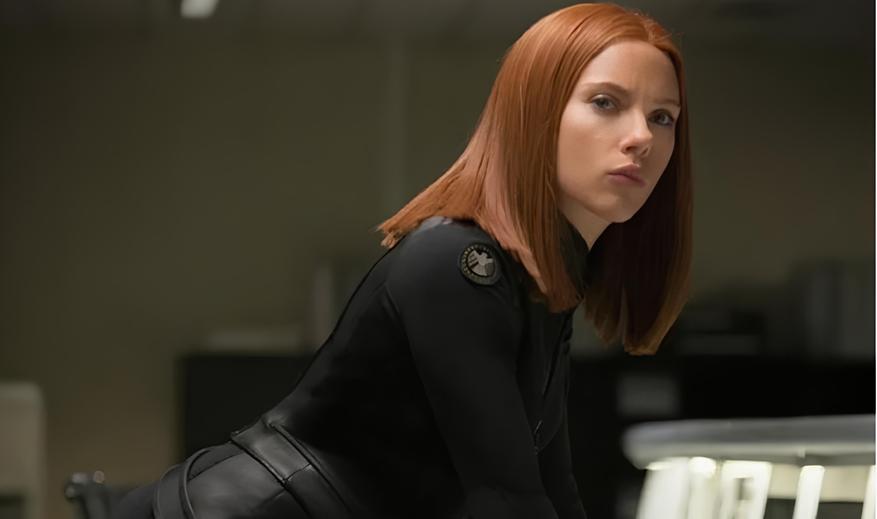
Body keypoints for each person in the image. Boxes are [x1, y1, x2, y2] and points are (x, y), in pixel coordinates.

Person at [113, 3, 692, 519]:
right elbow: (506, 497)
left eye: (663, 116)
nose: (641, 136)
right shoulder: (459, 260)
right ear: (533, 113)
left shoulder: (545, 280)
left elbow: (551, 485)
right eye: (605, 102)